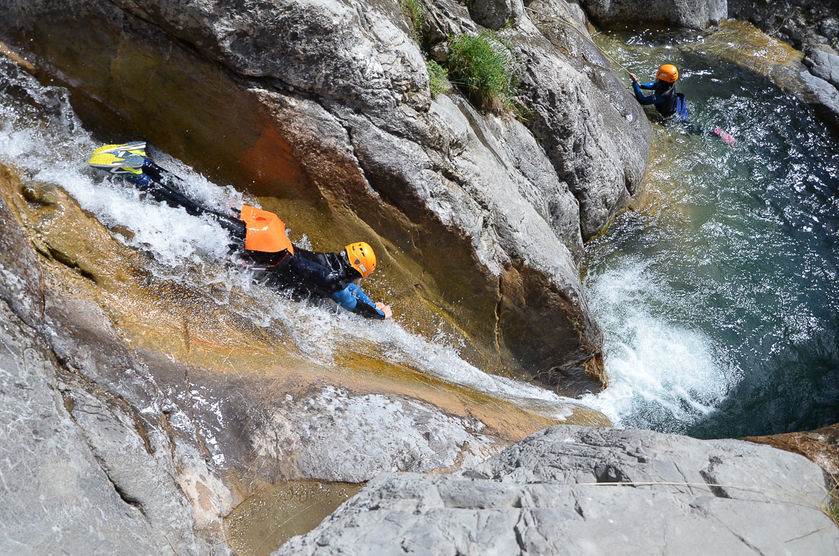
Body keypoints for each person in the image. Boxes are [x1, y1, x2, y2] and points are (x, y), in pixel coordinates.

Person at [88, 141, 393, 320]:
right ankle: (141, 178)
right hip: (257, 246)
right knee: (193, 209)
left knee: (199, 204)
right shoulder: (332, 280)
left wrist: (370, 300)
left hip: (264, 232)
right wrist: (378, 314)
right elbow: (351, 300)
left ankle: (146, 164)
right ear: (354, 272)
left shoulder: (333, 264)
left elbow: (353, 289)